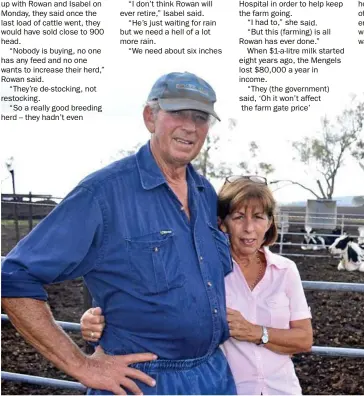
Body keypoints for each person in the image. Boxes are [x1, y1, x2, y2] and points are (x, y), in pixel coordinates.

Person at [1, 71, 237, 395]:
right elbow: (15, 277)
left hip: (213, 374)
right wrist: (81, 366)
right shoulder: (103, 194)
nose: (190, 126)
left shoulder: (205, 193)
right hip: (142, 381)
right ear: (150, 117)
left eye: (200, 117)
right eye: (178, 113)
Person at [80, 175, 314, 395]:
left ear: (270, 222)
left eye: (259, 217)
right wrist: (99, 321)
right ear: (221, 223)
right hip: (228, 388)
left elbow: (304, 339)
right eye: (239, 217)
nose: (249, 228)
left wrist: (256, 332)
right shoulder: (205, 269)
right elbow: (155, 308)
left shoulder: (285, 270)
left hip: (283, 389)